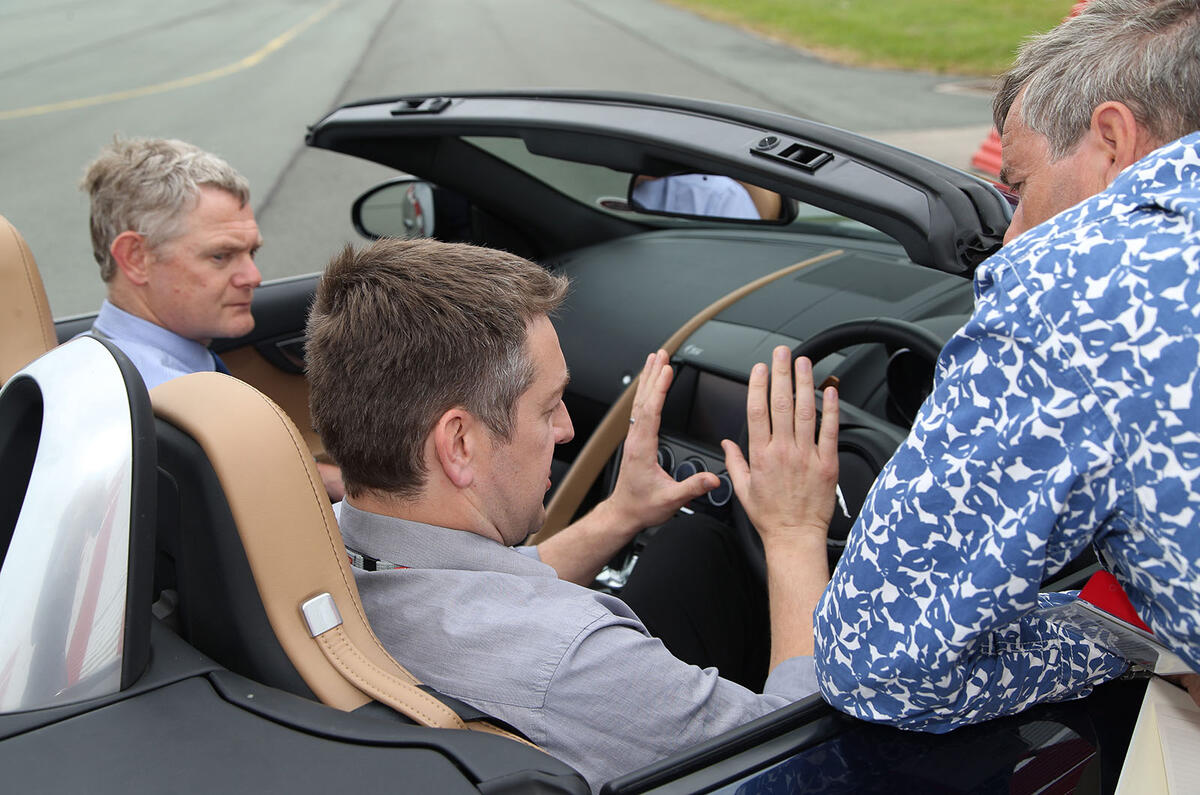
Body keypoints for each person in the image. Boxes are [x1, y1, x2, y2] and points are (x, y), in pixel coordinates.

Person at [304, 237, 839, 789]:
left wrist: (620, 514)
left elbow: (467, 590)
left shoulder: (316, 555)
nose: (566, 429)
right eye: (548, 405)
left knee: (695, 549)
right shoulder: (572, 661)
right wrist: (794, 532)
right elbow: (797, 762)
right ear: (459, 444)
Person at [813, 0, 1200, 730]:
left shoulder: (1079, 283)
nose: (1009, 240)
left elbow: (880, 661)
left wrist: (1113, 637)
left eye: (1018, 192)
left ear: (1112, 139)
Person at [80, 136, 343, 500]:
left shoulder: (97, 366)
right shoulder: (170, 412)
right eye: (221, 256)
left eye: (251, 252)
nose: (252, 277)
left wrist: (328, 480)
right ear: (135, 258)